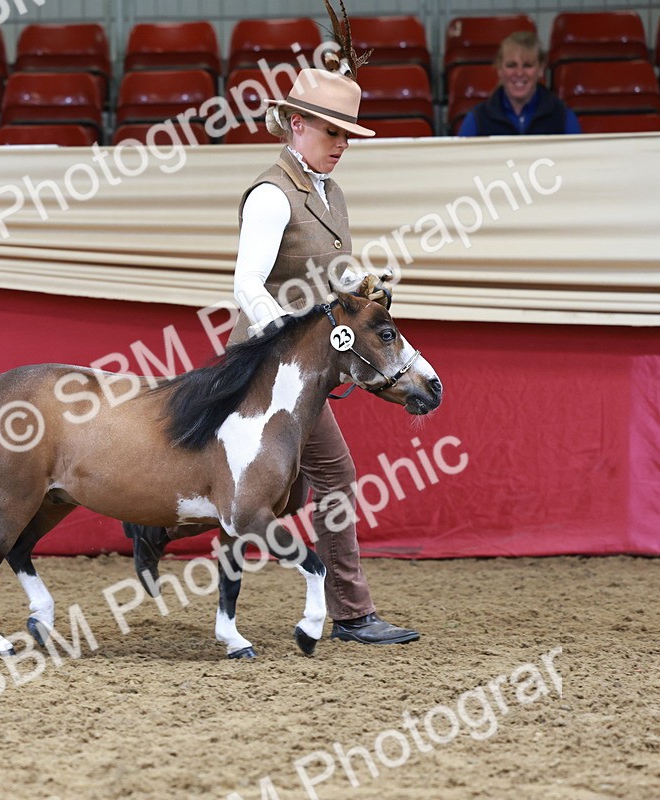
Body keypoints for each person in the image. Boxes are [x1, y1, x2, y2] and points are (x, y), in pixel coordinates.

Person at [123, 57, 419, 646]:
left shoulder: (328, 194)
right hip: (265, 370)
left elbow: (324, 275)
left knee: (291, 491)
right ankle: (353, 613)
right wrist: (285, 344)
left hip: (303, 372)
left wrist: (362, 287)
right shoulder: (272, 195)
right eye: (331, 132)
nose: (340, 145)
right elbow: (246, 285)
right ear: (294, 124)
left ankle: (154, 527)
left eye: (347, 135)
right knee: (331, 476)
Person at [457, 31, 581, 137]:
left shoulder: (563, 116)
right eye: (511, 65)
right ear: (499, 69)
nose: (519, 73)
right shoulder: (477, 119)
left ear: (541, 69)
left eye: (528, 65)